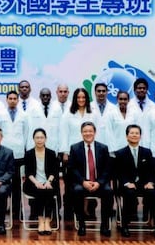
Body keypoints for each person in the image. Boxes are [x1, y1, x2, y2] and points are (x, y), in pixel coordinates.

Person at [115, 124, 155, 239]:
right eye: (132, 133)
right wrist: (126, 183)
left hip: (144, 184)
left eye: (137, 133)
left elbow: (152, 171)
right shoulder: (120, 153)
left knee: (154, 195)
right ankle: (125, 225)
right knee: (129, 194)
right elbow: (118, 173)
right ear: (127, 136)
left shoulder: (147, 152)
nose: (134, 135)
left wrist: (150, 182)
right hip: (127, 185)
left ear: (140, 136)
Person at [59, 88, 99, 220]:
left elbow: (95, 133)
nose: (81, 100)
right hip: (72, 153)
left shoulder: (92, 113)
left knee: (89, 180)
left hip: (88, 152)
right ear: (75, 99)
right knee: (71, 183)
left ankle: (89, 211)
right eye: (78, 98)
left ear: (87, 99)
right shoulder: (68, 114)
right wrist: (65, 152)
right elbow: (63, 134)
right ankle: (70, 211)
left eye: (83, 97)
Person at [68, 122, 113, 237]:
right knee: (77, 191)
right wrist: (83, 182)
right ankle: (81, 224)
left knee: (108, 191)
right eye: (85, 131)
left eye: (90, 131)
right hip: (83, 182)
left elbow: (107, 169)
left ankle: (104, 225)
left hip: (99, 182)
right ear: (81, 133)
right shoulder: (74, 148)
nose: (88, 133)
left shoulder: (103, 148)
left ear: (95, 132)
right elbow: (72, 169)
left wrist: (99, 182)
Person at [0, 90, 29, 220]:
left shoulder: (24, 115)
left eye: (15, 98)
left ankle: (17, 209)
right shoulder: (0, 114)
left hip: (19, 153)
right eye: (10, 98)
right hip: (4, 154)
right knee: (4, 182)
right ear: (7, 99)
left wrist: (24, 147)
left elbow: (26, 133)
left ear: (18, 100)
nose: (12, 100)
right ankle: (2, 207)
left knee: (17, 184)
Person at [23, 128, 59, 235]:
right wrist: (36, 183)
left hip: (48, 182)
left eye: (41, 137)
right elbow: (28, 172)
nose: (39, 140)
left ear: (45, 139)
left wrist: (48, 181)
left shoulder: (51, 153)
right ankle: (40, 220)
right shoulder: (29, 153)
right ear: (33, 139)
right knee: (40, 191)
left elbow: (54, 170)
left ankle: (47, 221)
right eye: (37, 138)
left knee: (48, 190)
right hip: (32, 183)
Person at [26, 88, 62, 154]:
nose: (45, 97)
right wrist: (29, 147)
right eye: (43, 95)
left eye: (47, 95)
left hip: (53, 145)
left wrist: (61, 150)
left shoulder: (57, 108)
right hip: (37, 144)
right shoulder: (33, 108)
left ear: (51, 96)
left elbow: (61, 130)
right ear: (40, 96)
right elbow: (30, 129)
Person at [90, 83, 117, 152]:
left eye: (103, 91)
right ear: (95, 92)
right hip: (93, 144)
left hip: (110, 146)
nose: (101, 93)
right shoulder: (89, 107)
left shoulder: (114, 108)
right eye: (99, 91)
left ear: (107, 92)